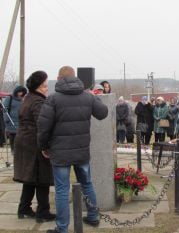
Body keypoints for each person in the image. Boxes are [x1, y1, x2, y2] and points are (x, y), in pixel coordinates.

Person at [37, 66, 108, 233]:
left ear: (59, 78)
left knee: (62, 189)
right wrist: (93, 98)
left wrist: (43, 147)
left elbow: (43, 127)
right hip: (82, 151)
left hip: (60, 151)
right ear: (75, 77)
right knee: (87, 183)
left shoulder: (53, 99)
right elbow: (103, 113)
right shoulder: (87, 97)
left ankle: (62, 228)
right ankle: (93, 216)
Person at [13, 71, 55, 223]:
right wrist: (46, 147)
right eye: (44, 85)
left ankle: (24, 208)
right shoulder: (38, 101)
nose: (46, 88)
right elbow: (42, 125)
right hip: (33, 143)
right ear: (37, 86)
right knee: (41, 177)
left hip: (24, 141)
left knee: (30, 177)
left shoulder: (28, 98)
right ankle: (43, 211)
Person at [3, 85, 27, 153]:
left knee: (19, 136)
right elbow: (5, 109)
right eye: (20, 92)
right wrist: (6, 118)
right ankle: (13, 150)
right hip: (10, 121)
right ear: (16, 91)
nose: (20, 93)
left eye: (22, 92)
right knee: (12, 136)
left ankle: (18, 150)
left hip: (20, 121)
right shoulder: (9, 98)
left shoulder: (23, 99)